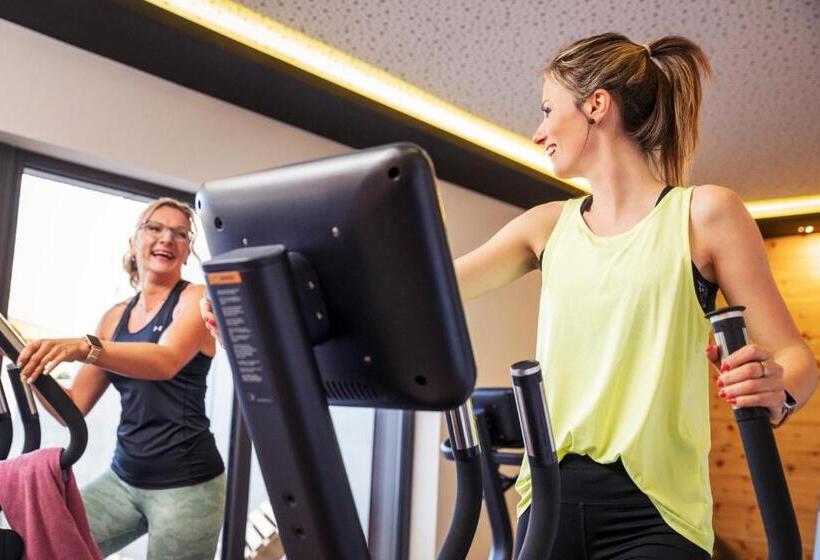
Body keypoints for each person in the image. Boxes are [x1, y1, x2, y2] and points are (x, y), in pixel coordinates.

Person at [454, 33, 817, 558]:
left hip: (657, 516)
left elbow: (796, 358)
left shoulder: (703, 214)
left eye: (548, 110)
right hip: (548, 503)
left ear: (596, 105)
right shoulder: (546, 226)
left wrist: (778, 387)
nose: (538, 132)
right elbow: (439, 287)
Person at [17, 197, 225, 560]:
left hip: (188, 486)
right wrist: (27, 364)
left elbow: (165, 361)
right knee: (46, 545)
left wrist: (86, 347)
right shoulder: (114, 317)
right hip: (123, 478)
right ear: (133, 241)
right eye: (155, 228)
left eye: (180, 233)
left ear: (187, 250)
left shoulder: (195, 298)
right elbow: (74, 404)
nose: (167, 238)